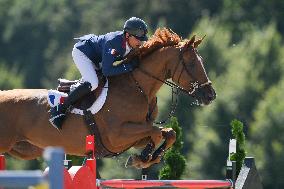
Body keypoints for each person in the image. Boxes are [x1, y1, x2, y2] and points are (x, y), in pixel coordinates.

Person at [49, 17, 148, 130]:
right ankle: (60, 107)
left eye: (142, 39)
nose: (140, 42)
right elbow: (107, 71)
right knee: (93, 82)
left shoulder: (131, 44)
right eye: (138, 39)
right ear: (127, 35)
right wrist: (129, 67)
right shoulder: (113, 43)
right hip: (83, 53)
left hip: (97, 59)